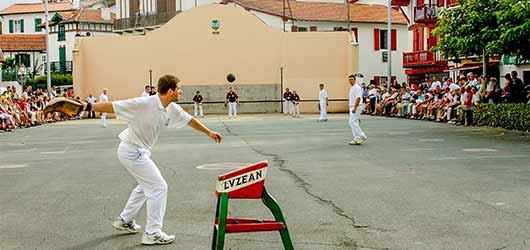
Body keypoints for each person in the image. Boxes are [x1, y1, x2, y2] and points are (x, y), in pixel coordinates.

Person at [43, 74, 223, 245]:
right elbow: (113, 106)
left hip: (140, 152)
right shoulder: (144, 103)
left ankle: (124, 220)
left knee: (145, 186)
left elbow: (190, 119)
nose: (181, 92)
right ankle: (152, 233)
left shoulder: (171, 108)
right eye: (179, 88)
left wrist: (209, 132)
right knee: (159, 187)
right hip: (131, 151)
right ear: (170, 91)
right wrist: (85, 106)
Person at [348, 75, 367, 145]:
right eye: (349, 80)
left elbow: (358, 98)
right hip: (352, 106)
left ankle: (362, 135)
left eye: (352, 79)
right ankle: (356, 138)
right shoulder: (352, 88)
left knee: (351, 122)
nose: (350, 81)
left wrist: (355, 107)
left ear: (355, 80)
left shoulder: (357, 87)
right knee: (355, 123)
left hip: (356, 106)